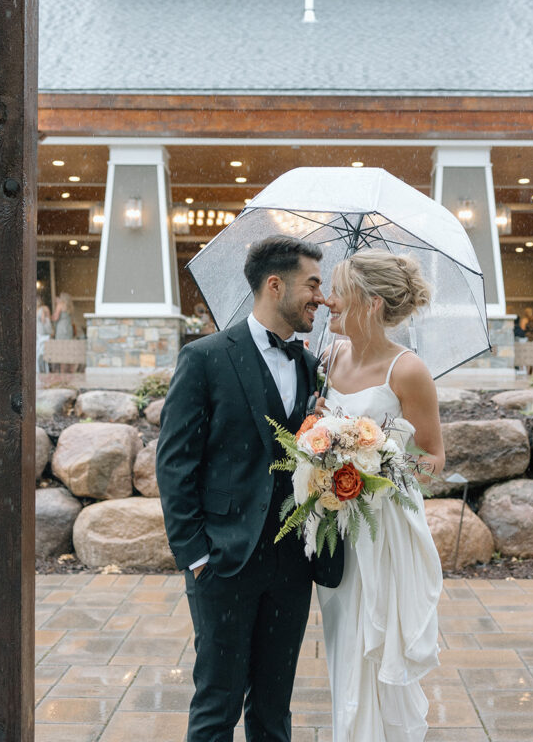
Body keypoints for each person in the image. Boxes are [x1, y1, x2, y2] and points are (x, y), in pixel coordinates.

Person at [156, 235, 342, 742]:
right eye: (312, 284)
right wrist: (195, 555)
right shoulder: (205, 357)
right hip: (222, 559)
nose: (320, 297)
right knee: (217, 705)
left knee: (274, 709)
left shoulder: (309, 366)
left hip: (290, 563)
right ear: (275, 285)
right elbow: (175, 465)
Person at [316, 250, 445, 742]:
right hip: (332, 520)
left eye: (337, 292)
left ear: (369, 304)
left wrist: (378, 458)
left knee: (371, 641)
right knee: (343, 639)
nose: (327, 300)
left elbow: (433, 458)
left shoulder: (407, 371)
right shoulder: (327, 359)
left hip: (383, 528)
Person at [36, 296, 53, 373]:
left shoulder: (34, 310)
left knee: (38, 349)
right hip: (42, 331)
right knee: (42, 350)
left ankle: (38, 368)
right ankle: (45, 368)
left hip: (36, 330)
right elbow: (43, 321)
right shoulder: (42, 310)